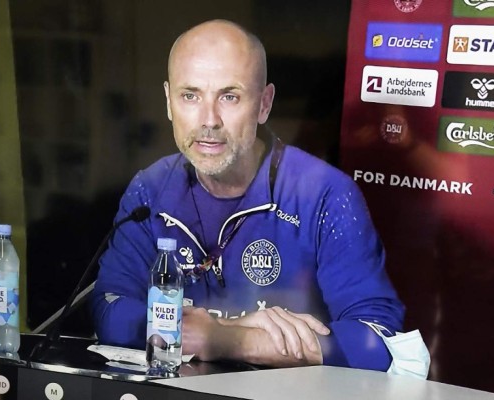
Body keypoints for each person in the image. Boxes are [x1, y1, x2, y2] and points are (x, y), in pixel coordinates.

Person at [92, 19, 404, 370]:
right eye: (190, 95)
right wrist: (222, 331)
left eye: (229, 96)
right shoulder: (149, 189)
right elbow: (110, 312)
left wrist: (229, 339)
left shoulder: (325, 193)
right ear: (168, 101)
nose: (208, 119)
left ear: (264, 104)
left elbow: (378, 341)